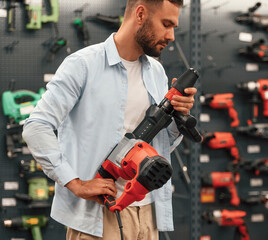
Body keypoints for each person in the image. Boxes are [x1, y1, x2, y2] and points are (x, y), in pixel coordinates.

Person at [22, 0, 196, 239]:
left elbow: (160, 145)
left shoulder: (157, 72)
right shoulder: (83, 65)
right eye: (166, 24)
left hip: (147, 212)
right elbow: (36, 127)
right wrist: (75, 183)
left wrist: (179, 118)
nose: (171, 36)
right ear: (141, 13)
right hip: (98, 217)